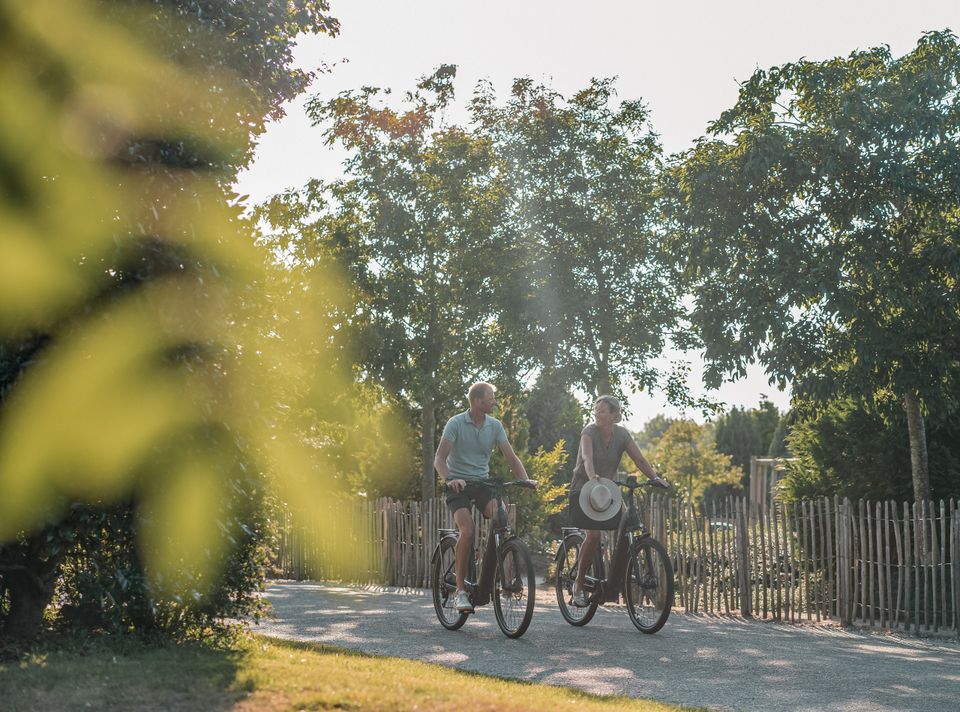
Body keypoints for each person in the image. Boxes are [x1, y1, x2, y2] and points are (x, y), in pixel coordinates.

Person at [434, 382, 536, 612]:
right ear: (477, 401)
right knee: (468, 530)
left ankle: (486, 579)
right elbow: (439, 459)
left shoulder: (494, 425)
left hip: (482, 484)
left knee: (500, 518)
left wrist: (525, 479)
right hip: (458, 485)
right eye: (490, 398)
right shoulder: (456, 423)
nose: (494, 402)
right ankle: (461, 592)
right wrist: (450, 479)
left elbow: (511, 457)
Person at [569, 395, 668, 607]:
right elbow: (587, 458)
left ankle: (612, 580)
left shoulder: (622, 434)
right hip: (584, 489)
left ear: (614, 415)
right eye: (596, 410)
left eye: (602, 411)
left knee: (627, 524)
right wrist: (593, 477)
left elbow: (639, 459)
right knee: (594, 535)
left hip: (607, 491)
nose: (597, 413)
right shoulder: (588, 431)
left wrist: (655, 478)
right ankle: (577, 585)